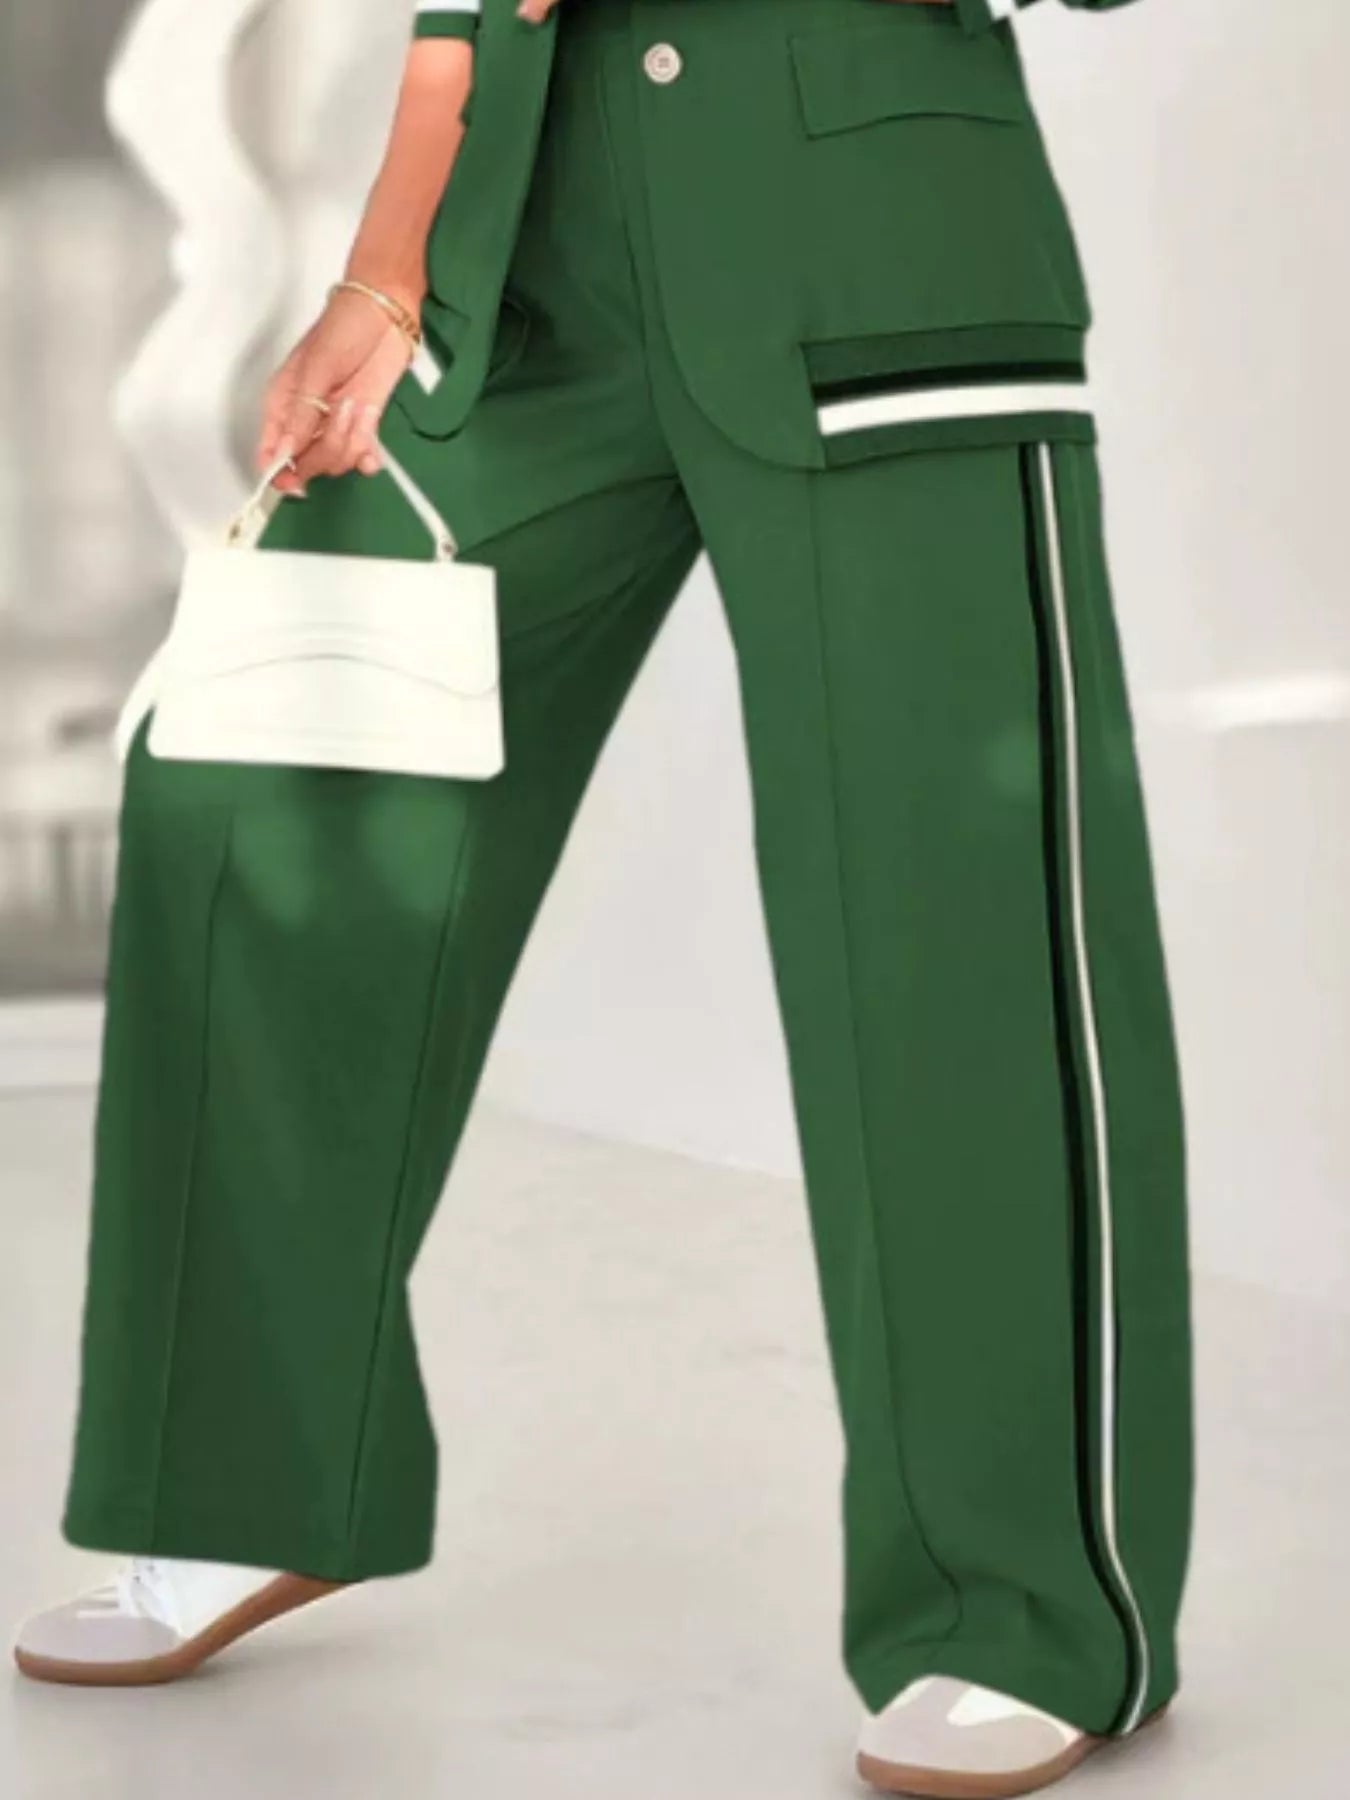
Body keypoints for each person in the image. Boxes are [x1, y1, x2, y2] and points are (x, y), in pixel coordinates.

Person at [14, 1, 1193, 1795]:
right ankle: (249, 1487)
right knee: (258, 786)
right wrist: (384, 271)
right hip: (518, 282)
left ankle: (1025, 1607)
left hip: (864, 269)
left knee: (940, 930)